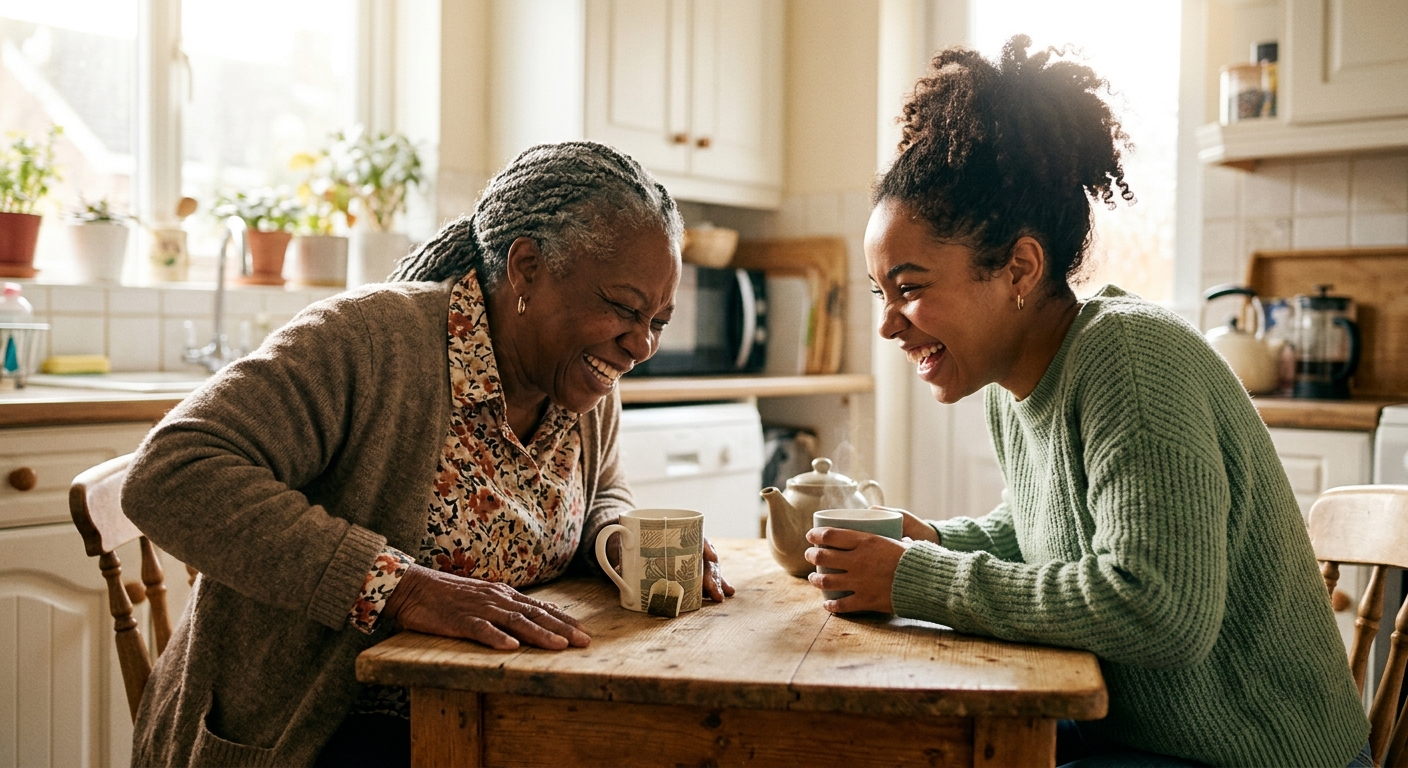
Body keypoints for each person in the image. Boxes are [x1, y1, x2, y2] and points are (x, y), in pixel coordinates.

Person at [804, 37, 1372, 768]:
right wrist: (940, 542)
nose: (886, 323)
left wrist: (918, 577)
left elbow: (1156, 609)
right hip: (1141, 738)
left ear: (1018, 267)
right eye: (881, 293)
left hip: (1258, 756)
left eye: (910, 288)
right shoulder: (1013, 383)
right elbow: (1047, 533)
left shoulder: (1130, 360)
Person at [122, 141, 734, 767]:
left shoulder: (583, 383)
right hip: (319, 733)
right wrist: (404, 589)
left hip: (492, 715)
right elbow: (169, 471)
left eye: (658, 320)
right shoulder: (368, 342)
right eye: (625, 309)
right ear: (526, 268)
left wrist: (617, 539)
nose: (640, 346)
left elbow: (602, 487)